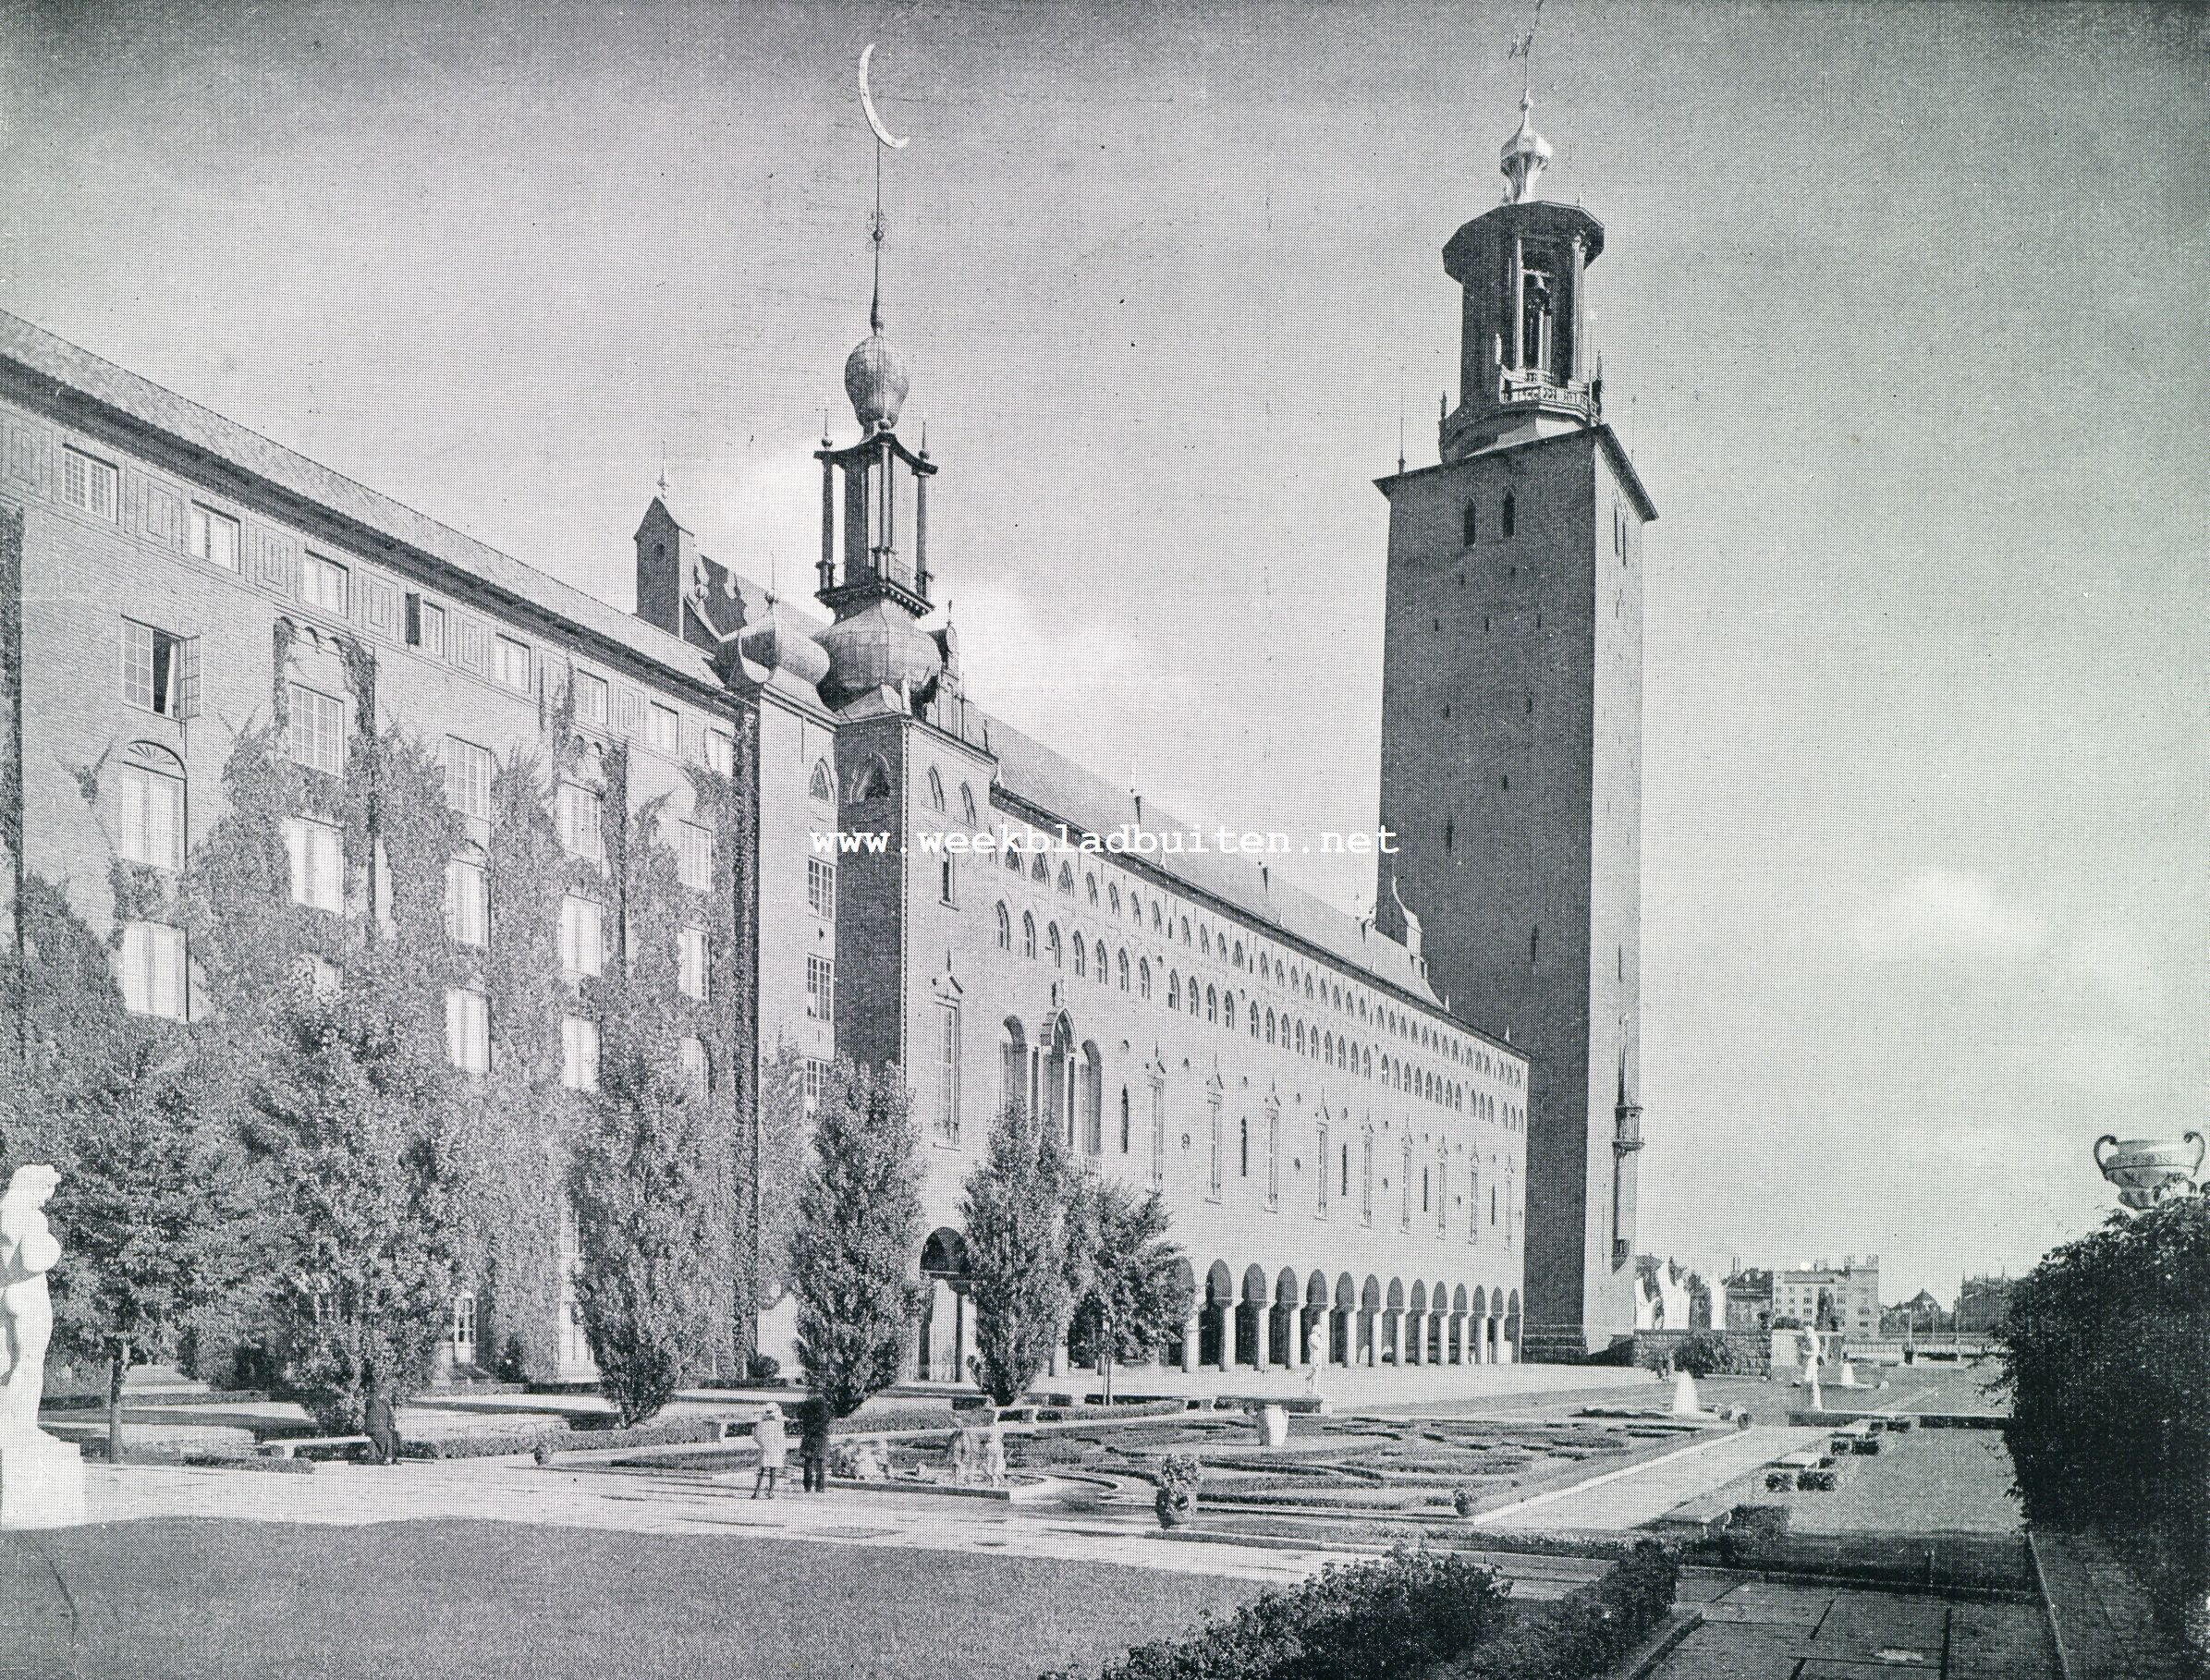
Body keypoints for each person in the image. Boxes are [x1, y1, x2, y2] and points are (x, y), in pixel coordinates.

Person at [751, 1402, 788, 1499]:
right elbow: (780, 1438)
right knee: (773, 1471)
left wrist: (762, 1444)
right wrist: (782, 1450)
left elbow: (755, 1437)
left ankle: (756, 1491)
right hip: (775, 1449)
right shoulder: (778, 1424)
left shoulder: (760, 1423)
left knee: (762, 1470)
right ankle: (770, 1492)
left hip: (764, 1448)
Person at [798, 1397, 831, 1494]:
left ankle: (807, 1486)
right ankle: (820, 1487)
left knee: (808, 1463)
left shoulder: (807, 1415)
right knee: (820, 1464)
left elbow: (803, 1425)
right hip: (821, 1439)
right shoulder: (825, 1415)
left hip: (809, 1439)